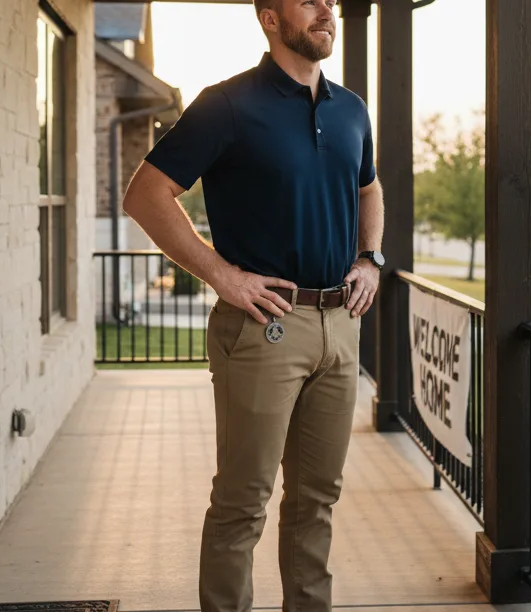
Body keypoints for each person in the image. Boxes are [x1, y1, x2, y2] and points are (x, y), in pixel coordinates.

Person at [120, 1, 385, 610]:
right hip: (264, 327)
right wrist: (223, 276)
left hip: (340, 325)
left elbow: (369, 187)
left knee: (317, 500)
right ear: (270, 19)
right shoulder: (227, 104)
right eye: (308, 1)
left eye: (331, 1)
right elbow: (146, 194)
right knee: (244, 501)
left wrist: (369, 259)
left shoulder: (351, 110)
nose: (326, 9)